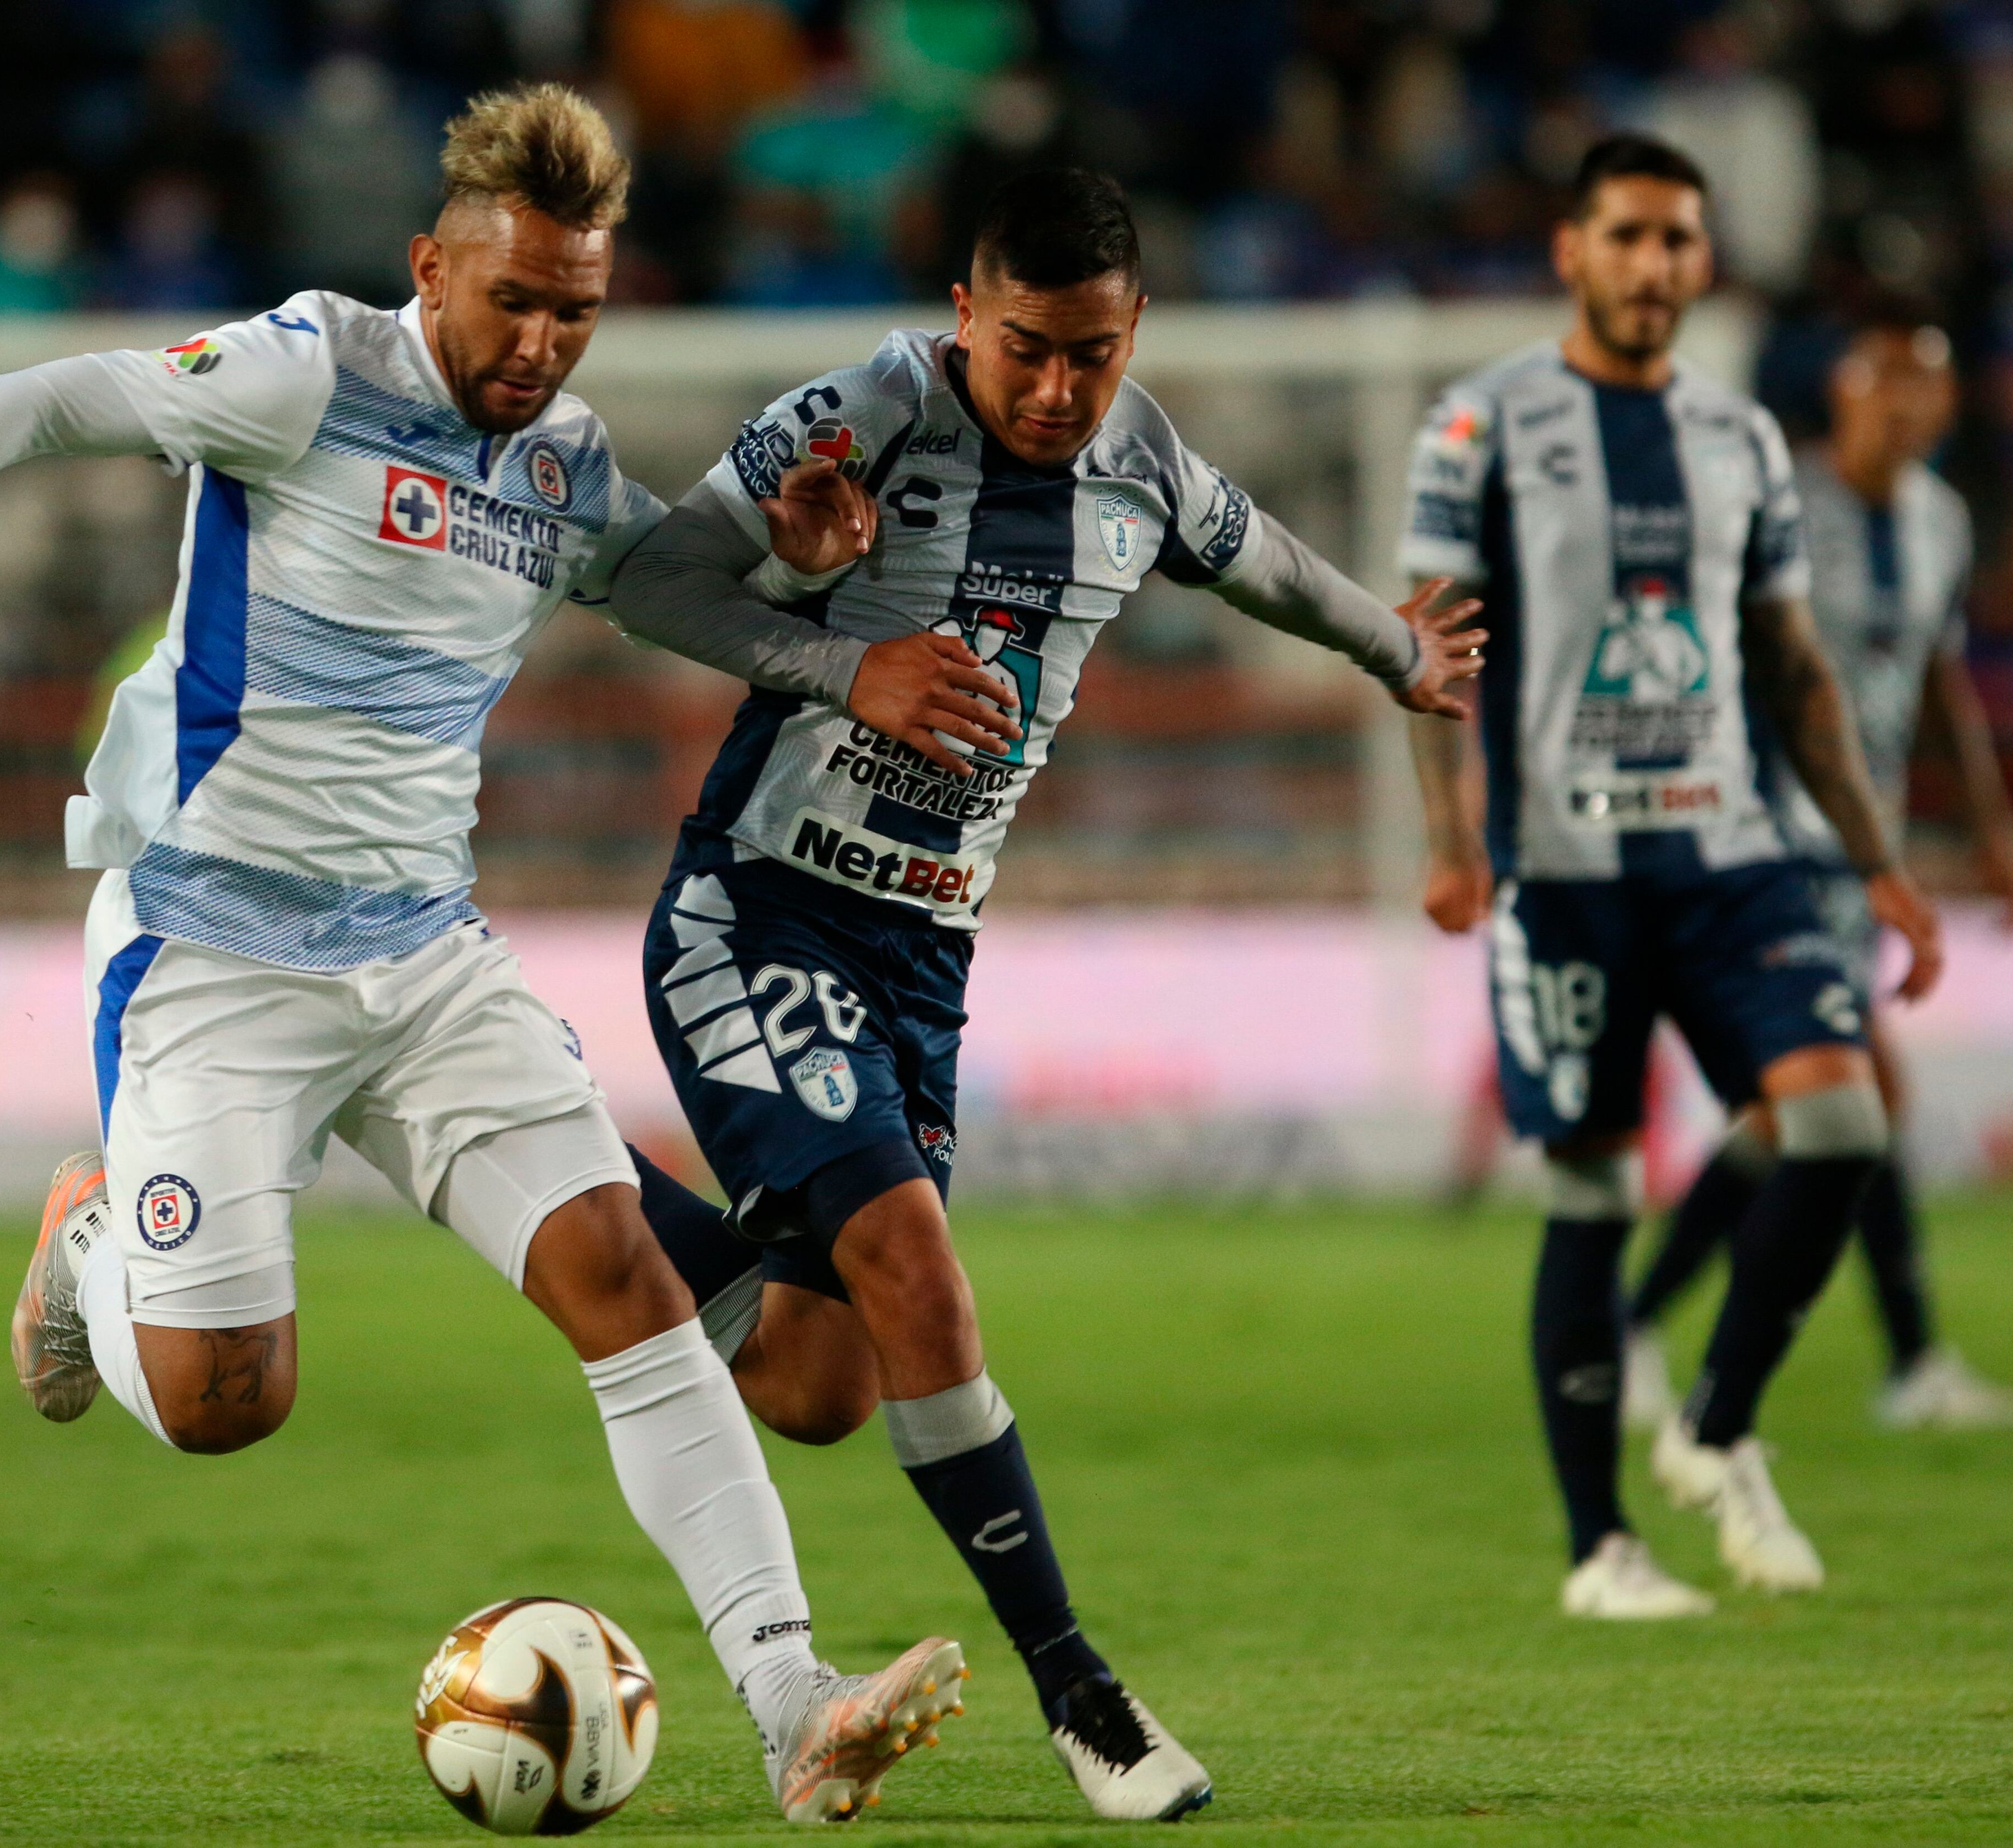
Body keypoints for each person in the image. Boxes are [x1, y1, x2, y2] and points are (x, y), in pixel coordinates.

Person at [0, 85, 1004, 1825]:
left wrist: (798, 569)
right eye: (512, 300)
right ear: (429, 268)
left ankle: (792, 1699)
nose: (538, 342)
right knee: (231, 1402)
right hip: (215, 951)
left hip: (423, 957)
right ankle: (90, 1250)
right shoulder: (310, 369)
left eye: (575, 312)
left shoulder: (561, 461)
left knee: (624, 1273)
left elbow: (650, 578)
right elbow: (59, 398)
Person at [602, 166, 1486, 1819]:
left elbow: (1263, 557)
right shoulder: (865, 411)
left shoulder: (1137, 453)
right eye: (1027, 350)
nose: (1059, 389)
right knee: (919, 1273)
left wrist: (1393, 648)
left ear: (1133, 326)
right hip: (758, 911)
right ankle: (1083, 1691)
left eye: (1091, 352)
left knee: (817, 1382)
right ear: (963, 313)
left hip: (922, 961)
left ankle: (537, 1143)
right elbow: (652, 579)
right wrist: (833, 646)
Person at [1402, 134, 1944, 1620]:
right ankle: (1602, 1546)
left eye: (1679, 240)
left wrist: (1883, 865)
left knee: (1837, 1120)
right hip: (1567, 868)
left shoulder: (1744, 438)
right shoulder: (1481, 421)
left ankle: (1712, 1415)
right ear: (1573, 250)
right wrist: (1453, 840)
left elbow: (1796, 666)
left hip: (1733, 854)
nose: (1655, 264)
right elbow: (1428, 641)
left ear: (1705, 262)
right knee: (1592, 1192)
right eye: (1628, 235)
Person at [1623, 314, 2013, 1433]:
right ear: (1844, 395)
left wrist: (1991, 829)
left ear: (1948, 408)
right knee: (1837, 1092)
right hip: (1761, 833)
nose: (1905, 407)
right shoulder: (1780, 506)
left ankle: (1643, 1329)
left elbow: (1939, 680)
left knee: (1806, 1105)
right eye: (1884, 385)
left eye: (1926, 388)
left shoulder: (1941, 520)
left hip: (1863, 845)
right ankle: (1892, 1361)